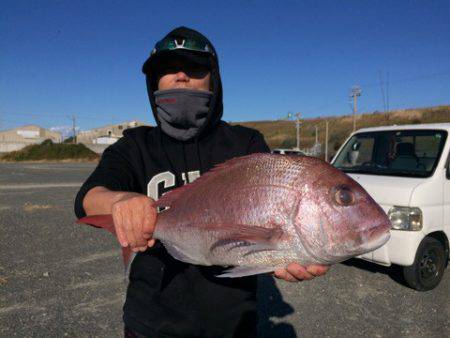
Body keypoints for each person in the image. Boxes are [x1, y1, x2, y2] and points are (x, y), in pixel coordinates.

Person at [74, 27, 329, 338]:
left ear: (214, 79)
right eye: (167, 69)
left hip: (233, 325)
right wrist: (119, 203)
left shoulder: (246, 143)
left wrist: (287, 248)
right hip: (150, 325)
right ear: (153, 82)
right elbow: (89, 197)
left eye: (195, 68)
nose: (181, 76)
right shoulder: (133, 145)